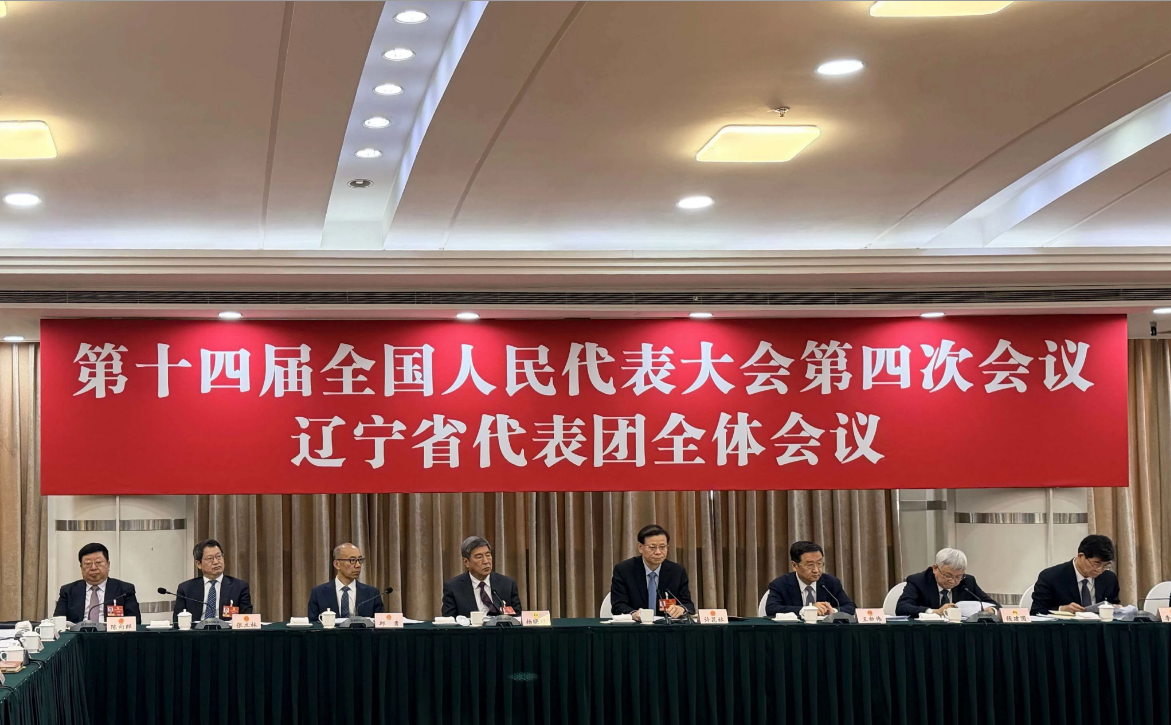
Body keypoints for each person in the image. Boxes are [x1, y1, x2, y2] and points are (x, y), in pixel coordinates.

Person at [609, 524, 694, 621]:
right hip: (636, 626)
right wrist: (633, 613)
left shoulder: (677, 571)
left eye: (662, 547)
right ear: (640, 547)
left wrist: (681, 609)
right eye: (652, 547)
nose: (658, 552)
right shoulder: (624, 570)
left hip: (667, 627)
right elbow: (618, 605)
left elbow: (688, 605)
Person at [1030, 534, 1121, 615]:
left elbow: (1114, 607)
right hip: (1065, 627)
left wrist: (1117, 609)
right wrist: (1062, 609)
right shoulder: (1050, 577)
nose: (1100, 569)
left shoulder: (1109, 578)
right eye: (1096, 563)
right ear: (1081, 556)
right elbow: (1036, 611)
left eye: (1105, 565)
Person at [896, 548, 998, 618]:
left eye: (958, 577)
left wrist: (991, 611)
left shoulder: (967, 582)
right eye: (948, 575)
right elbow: (902, 608)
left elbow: (994, 605)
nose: (953, 581)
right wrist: (935, 612)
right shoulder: (918, 581)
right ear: (935, 568)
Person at [53, 543, 141, 623]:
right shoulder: (68, 591)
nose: (93, 568)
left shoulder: (124, 590)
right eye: (87, 564)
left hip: (112, 634)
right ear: (81, 568)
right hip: (78, 634)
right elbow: (58, 623)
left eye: (98, 562)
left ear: (108, 565)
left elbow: (135, 622)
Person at [765, 541, 856, 616]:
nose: (816, 570)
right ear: (794, 565)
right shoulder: (781, 584)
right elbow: (771, 608)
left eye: (819, 564)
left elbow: (850, 607)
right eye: (810, 565)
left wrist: (832, 611)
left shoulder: (831, 582)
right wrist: (808, 610)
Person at [172, 538, 253, 622]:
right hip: (196, 630)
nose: (216, 562)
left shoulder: (239, 587)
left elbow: (247, 619)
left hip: (227, 630)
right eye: (210, 558)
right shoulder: (186, 589)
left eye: (219, 556)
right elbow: (177, 621)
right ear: (199, 564)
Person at [441, 536, 522, 618]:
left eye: (488, 555)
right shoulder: (453, 587)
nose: (486, 561)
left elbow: (517, 618)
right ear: (466, 562)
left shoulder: (508, 584)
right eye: (479, 557)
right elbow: (449, 621)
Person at [307, 543, 385, 621]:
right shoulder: (318, 593)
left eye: (360, 560)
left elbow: (380, 624)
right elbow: (314, 624)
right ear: (337, 564)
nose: (358, 565)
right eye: (352, 560)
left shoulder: (372, 593)